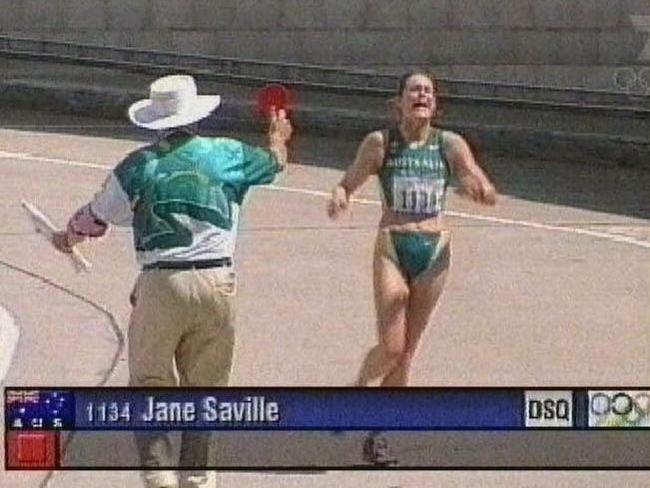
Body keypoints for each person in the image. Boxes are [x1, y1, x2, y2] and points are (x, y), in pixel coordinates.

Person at [52, 74, 292, 488]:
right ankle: (197, 478)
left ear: (154, 121)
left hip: (161, 283)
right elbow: (274, 164)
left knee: (149, 385)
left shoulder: (137, 167)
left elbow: (94, 218)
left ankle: (159, 476)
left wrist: (67, 236)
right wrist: (279, 134)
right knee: (207, 391)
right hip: (217, 279)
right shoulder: (226, 154)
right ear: (196, 114)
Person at [327, 70, 496, 464]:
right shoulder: (380, 143)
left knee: (406, 354)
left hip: (435, 250)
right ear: (398, 102)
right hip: (393, 244)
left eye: (428, 92)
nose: (422, 96)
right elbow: (347, 182)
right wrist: (339, 196)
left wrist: (480, 191)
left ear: (435, 103)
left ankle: (379, 435)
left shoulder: (449, 144)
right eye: (414, 90)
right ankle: (357, 388)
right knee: (391, 345)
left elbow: (481, 183)